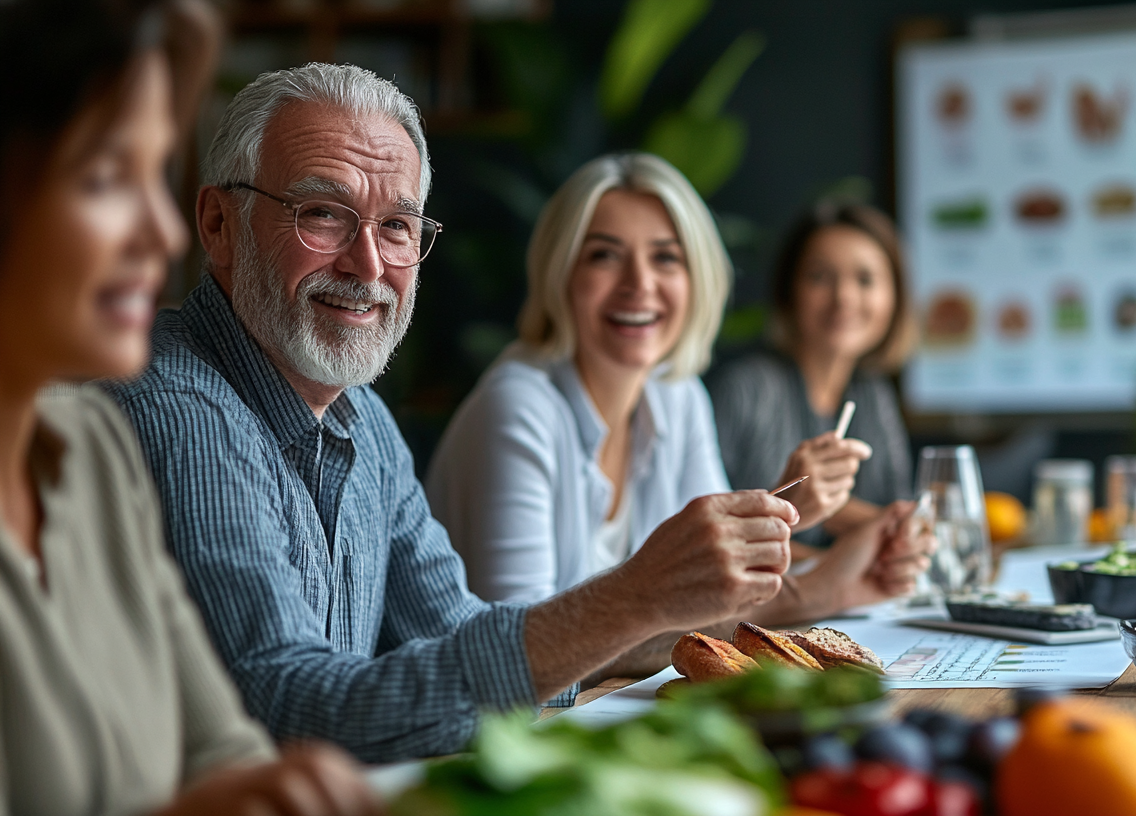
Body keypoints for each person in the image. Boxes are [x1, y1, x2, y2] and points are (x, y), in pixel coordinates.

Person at [104, 64, 798, 764]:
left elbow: (458, 636)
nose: (368, 264)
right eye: (322, 213)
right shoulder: (181, 411)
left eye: (397, 225)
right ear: (219, 224)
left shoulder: (364, 420)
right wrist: (633, 597)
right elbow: (287, 711)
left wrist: (662, 604)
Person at [0, 2, 382, 814]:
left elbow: (223, 749)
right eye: (106, 178)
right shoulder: (168, 406)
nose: (163, 233)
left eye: (155, 173)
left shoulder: (93, 448)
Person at [427, 154, 928, 628]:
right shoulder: (518, 407)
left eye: (666, 258)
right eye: (604, 255)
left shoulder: (676, 394)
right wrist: (824, 585)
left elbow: (713, 582)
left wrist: (792, 515)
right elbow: (521, 654)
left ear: (696, 279)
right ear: (560, 273)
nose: (639, 283)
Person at [707, 201, 918, 547]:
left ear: (895, 296)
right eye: (820, 277)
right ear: (789, 291)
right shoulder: (745, 389)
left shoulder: (873, 395)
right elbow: (708, 526)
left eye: (865, 280)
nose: (844, 297)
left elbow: (895, 508)